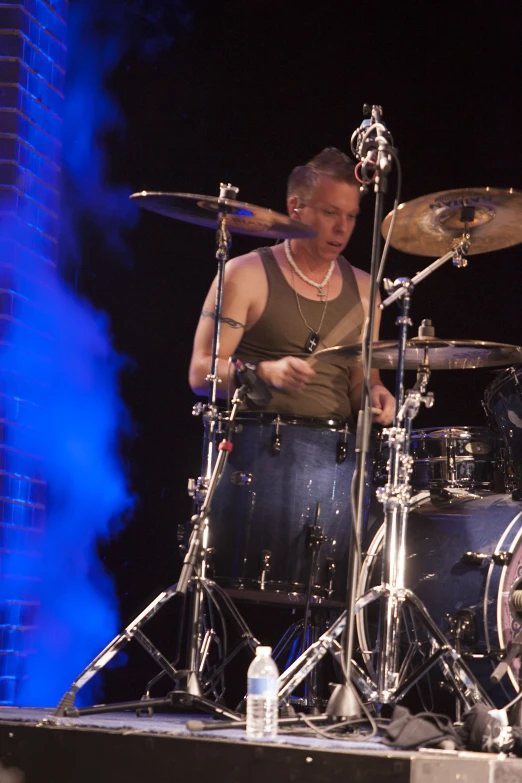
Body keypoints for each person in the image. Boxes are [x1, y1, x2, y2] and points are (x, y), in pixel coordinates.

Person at [189, 147, 395, 426]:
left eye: (351, 216)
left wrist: (379, 395)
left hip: (336, 459)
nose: (342, 228)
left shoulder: (364, 287)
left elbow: (362, 385)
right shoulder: (245, 274)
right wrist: (262, 373)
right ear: (294, 208)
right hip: (256, 450)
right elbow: (201, 373)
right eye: (330, 212)